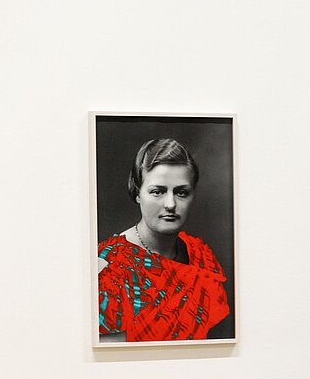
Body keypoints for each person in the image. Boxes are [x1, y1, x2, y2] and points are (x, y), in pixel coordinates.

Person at [97, 138, 230, 342]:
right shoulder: (109, 266)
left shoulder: (200, 258)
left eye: (181, 192)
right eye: (157, 192)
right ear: (137, 192)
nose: (170, 204)